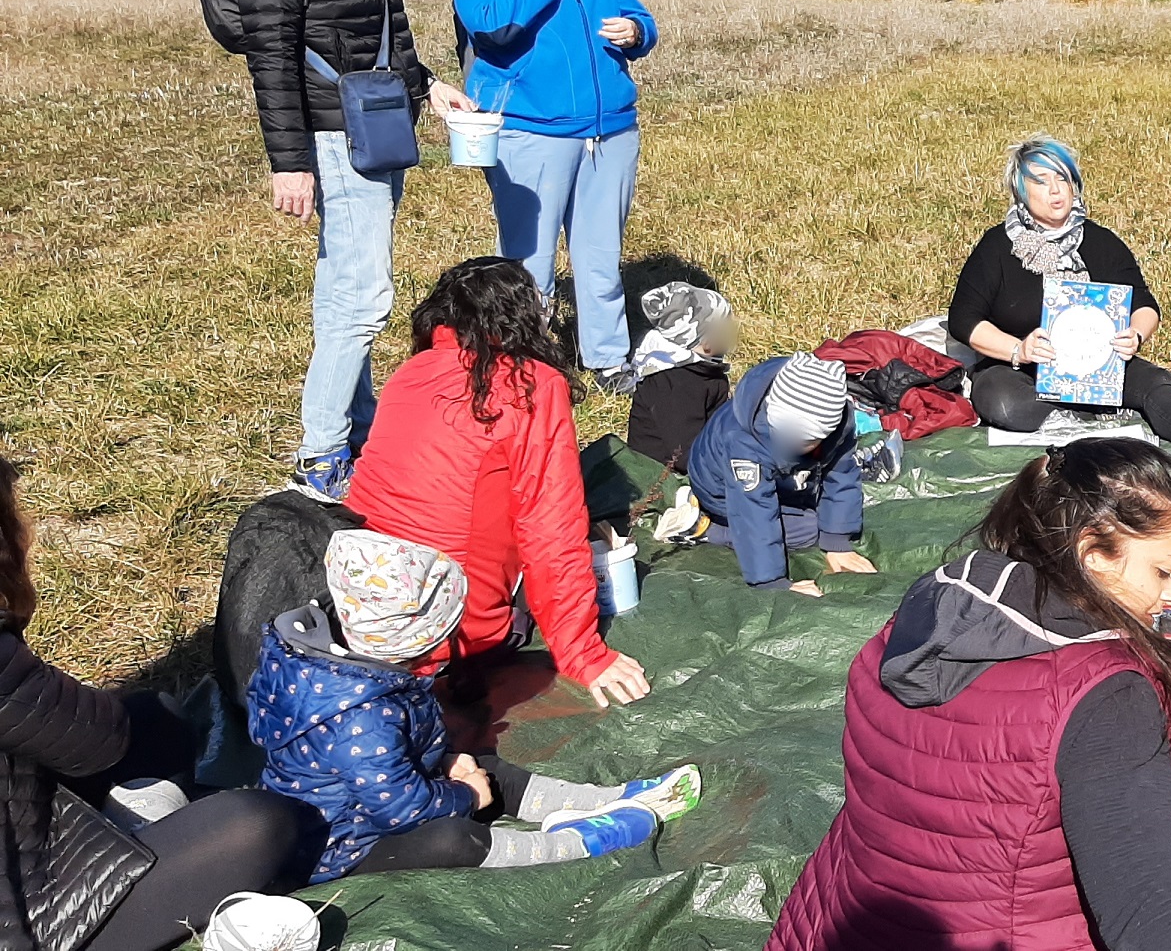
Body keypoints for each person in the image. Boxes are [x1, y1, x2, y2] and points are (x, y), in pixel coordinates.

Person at [765, 438, 1171, 949]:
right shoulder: (1107, 696)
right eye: (1163, 570)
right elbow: (1148, 915)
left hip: (844, 926)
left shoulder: (921, 622)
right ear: (1092, 553)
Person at [236, 0, 479, 502]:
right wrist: (290, 162)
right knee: (365, 298)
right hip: (333, 135)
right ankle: (320, 455)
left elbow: (380, 27)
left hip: (375, 125)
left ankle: (358, 430)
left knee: (342, 289)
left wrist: (426, 85)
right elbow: (270, 52)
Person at [251, 528, 702, 882]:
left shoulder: (356, 667)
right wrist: (466, 795)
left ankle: (605, 800)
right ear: (406, 643)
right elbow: (399, 810)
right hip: (342, 844)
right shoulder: (359, 718)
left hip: (378, 793)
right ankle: (574, 842)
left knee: (486, 766)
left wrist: (443, 761)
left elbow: (382, 765)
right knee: (453, 839)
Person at [0, 456, 310, 951]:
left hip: (31, 831)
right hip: (31, 923)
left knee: (156, 718)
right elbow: (101, 741)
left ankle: (139, 840)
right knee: (259, 823)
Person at [345, 258, 650, 707]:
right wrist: (583, 653)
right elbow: (551, 529)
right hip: (451, 630)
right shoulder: (531, 385)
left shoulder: (410, 372)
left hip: (366, 604)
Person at [453, 0, 658, 394]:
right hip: (530, 132)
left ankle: (608, 360)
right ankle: (528, 369)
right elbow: (491, 23)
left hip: (610, 129)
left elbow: (638, 14)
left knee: (601, 258)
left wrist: (636, 32)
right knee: (530, 262)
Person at [947, 137, 1171, 444]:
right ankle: (1087, 427)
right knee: (1002, 401)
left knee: (1155, 382)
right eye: (1041, 181)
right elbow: (964, 320)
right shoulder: (998, 246)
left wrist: (1135, 335)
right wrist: (1018, 350)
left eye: (1062, 178)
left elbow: (1144, 305)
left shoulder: (1101, 242)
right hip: (1017, 370)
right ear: (1021, 191)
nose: (1055, 190)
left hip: (1098, 369)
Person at [684, 352, 873, 593]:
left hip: (782, 479)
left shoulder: (838, 422)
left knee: (822, 517)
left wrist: (837, 541)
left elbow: (842, 474)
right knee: (806, 530)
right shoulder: (743, 441)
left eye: (804, 441)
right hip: (721, 489)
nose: (791, 443)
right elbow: (753, 509)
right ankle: (710, 530)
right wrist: (772, 582)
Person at [625, 282, 735, 473]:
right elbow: (684, 454)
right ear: (707, 343)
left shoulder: (700, 369)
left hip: (703, 453)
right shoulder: (676, 385)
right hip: (663, 476)